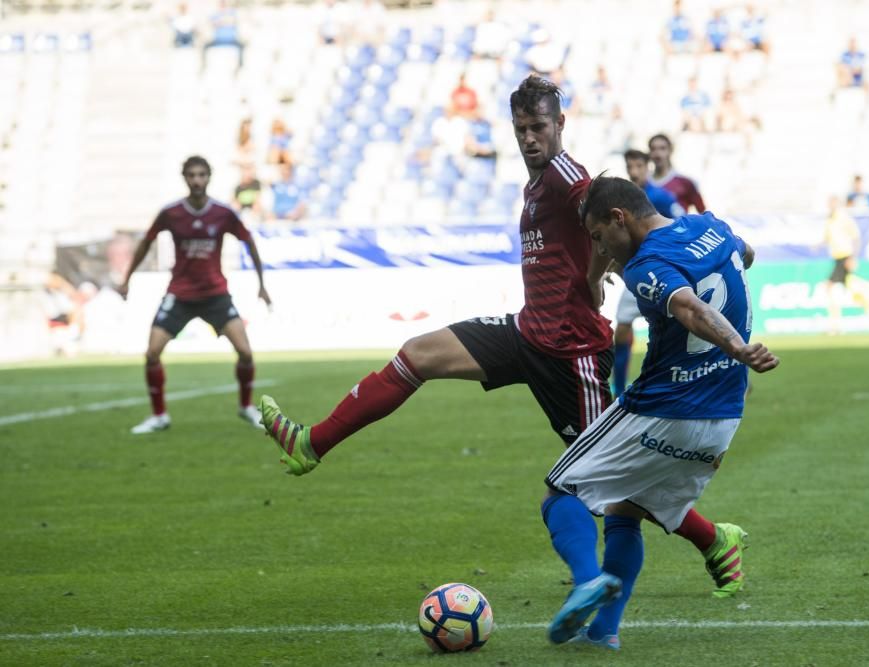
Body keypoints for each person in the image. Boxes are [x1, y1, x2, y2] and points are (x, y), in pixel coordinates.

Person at [257, 77, 728, 588]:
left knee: (616, 490)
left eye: (539, 127)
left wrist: (597, 276)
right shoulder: (536, 182)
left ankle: (710, 541)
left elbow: (607, 216)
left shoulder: (567, 174)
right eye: (521, 128)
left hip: (572, 355)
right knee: (418, 354)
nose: (529, 138)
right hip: (526, 333)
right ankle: (312, 443)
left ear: (560, 125)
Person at [541, 175, 779, 649]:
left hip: (663, 408)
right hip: (723, 419)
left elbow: (689, 309)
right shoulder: (712, 226)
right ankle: (603, 632)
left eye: (599, 239)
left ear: (618, 218)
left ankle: (588, 580)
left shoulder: (647, 265)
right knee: (627, 509)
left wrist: (738, 346)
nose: (603, 250)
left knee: (560, 491)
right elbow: (745, 254)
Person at [118, 156, 272, 434]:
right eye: (191, 175)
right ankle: (159, 416)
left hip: (215, 294)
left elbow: (249, 242)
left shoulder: (223, 213)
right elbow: (146, 243)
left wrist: (262, 285)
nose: (197, 180)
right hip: (180, 294)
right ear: (185, 178)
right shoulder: (171, 213)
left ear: (209, 177)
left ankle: (246, 407)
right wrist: (127, 279)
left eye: (201, 175)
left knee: (246, 353)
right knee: (152, 353)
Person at [613, 150, 685, 398]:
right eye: (629, 166)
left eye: (638, 166)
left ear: (647, 167)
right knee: (622, 328)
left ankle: (722, 369)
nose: (634, 171)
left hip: (663, 273)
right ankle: (618, 389)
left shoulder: (661, 197)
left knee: (687, 326)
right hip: (635, 274)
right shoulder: (620, 200)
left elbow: (681, 226)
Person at [821, 195, 869, 334]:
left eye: (833, 203)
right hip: (837, 257)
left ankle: (836, 325)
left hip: (845, 256)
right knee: (849, 287)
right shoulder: (829, 220)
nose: (831, 205)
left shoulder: (843, 218)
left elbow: (855, 237)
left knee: (832, 287)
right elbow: (827, 238)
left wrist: (853, 257)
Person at [647, 133, 706, 213]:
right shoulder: (643, 184)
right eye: (653, 149)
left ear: (670, 150)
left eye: (662, 148)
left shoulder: (685, 183)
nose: (657, 153)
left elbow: (702, 213)